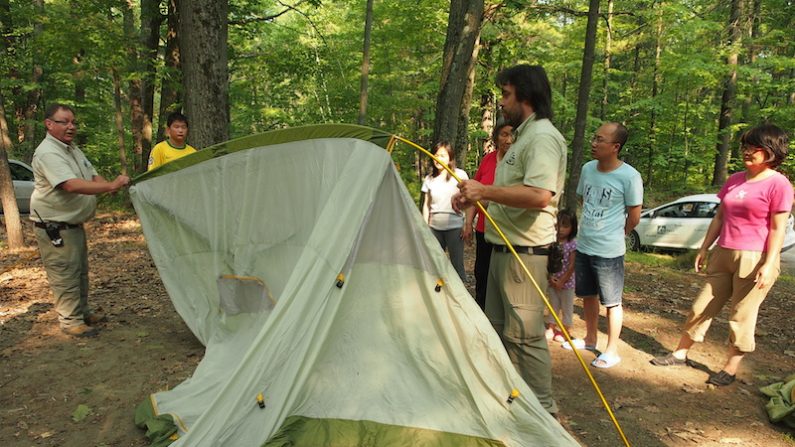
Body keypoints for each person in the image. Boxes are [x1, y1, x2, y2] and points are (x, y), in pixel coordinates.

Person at [453, 64, 567, 415]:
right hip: (502, 250)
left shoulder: (543, 137)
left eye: (506, 94)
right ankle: (513, 406)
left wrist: (485, 189)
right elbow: (512, 191)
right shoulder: (522, 138)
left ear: (525, 95)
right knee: (499, 331)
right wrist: (478, 198)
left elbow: (539, 195)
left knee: (526, 337)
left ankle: (544, 415)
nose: (501, 102)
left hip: (524, 254)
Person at [651, 124, 793, 386]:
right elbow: (720, 216)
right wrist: (705, 247)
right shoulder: (735, 179)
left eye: (754, 148)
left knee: (741, 315)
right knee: (701, 306)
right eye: (745, 147)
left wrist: (769, 262)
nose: (747, 152)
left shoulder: (779, 184)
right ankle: (680, 353)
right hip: (724, 252)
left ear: (771, 151)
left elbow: (778, 227)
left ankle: (730, 367)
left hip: (755, 258)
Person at [30, 103, 130, 337]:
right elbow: (70, 184)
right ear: (49, 124)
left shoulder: (70, 148)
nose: (71, 126)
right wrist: (110, 185)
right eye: (64, 122)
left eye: (73, 122)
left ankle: (83, 312)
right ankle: (71, 321)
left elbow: (90, 174)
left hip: (72, 224)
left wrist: (107, 186)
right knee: (64, 273)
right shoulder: (48, 152)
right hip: (55, 227)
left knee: (80, 271)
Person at [562, 122, 642, 370]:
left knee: (612, 302)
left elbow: (635, 216)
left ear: (615, 147)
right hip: (584, 245)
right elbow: (585, 200)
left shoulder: (629, 176)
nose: (593, 143)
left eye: (600, 140)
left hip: (609, 251)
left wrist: (618, 235)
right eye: (594, 138)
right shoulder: (588, 169)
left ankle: (611, 350)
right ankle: (590, 338)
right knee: (587, 295)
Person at [462, 122, 514, 309]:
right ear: (496, 138)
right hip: (484, 229)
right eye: (504, 135)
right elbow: (474, 193)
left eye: (512, 135)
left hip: (506, 232)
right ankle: (481, 313)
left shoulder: (517, 163)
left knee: (502, 278)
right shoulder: (488, 160)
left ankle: (499, 316)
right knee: (481, 272)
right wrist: (468, 223)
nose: (508, 139)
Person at [421, 141, 469, 281]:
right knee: (435, 264)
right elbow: (426, 204)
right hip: (434, 228)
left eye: (443, 155)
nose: (438, 159)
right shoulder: (429, 179)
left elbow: (468, 201)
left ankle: (461, 297)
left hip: (455, 227)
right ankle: (438, 295)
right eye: (436, 155)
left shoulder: (459, 175)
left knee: (456, 265)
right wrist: (425, 227)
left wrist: (466, 224)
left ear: (450, 158)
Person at [545, 209, 578, 343]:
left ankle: (565, 330)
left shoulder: (572, 245)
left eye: (565, 226)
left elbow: (571, 266)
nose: (561, 229)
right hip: (553, 282)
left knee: (566, 307)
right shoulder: (552, 241)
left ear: (572, 227)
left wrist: (562, 281)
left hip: (567, 284)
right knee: (553, 305)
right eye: (559, 225)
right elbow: (547, 261)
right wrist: (550, 277)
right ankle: (551, 328)